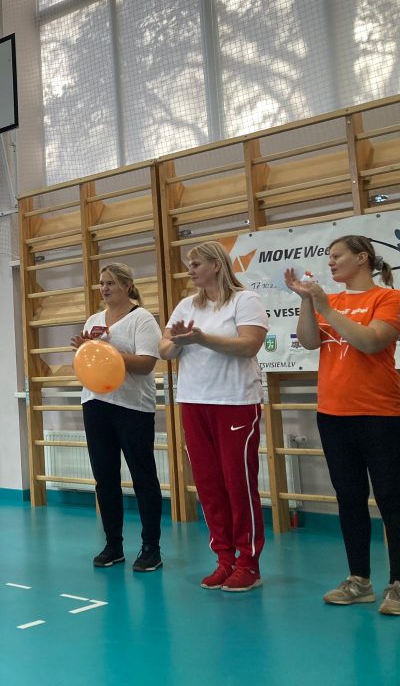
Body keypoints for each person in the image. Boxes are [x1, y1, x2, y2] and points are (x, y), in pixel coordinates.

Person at [285, 235, 400, 615]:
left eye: (337, 256)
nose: (331, 262)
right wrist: (308, 302)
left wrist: (325, 307)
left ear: (362, 258)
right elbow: (308, 342)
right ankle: (359, 580)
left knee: (391, 498)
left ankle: (398, 583)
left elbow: (371, 342)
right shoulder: (330, 301)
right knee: (349, 498)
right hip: (333, 414)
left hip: (380, 414)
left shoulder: (388, 298)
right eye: (329, 257)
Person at [159, 241, 269, 592]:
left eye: (196, 264)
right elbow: (165, 349)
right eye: (189, 264)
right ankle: (225, 559)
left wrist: (202, 338)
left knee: (238, 484)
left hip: (235, 401)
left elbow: (249, 345)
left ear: (217, 265)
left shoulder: (244, 300)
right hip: (194, 402)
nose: (189, 270)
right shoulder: (186, 305)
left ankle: (248, 563)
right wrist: (179, 342)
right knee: (208, 485)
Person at [72, 264, 163, 572]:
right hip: (95, 403)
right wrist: (86, 351)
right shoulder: (94, 320)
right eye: (102, 283)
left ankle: (151, 547)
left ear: (127, 286)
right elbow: (89, 362)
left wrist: (106, 352)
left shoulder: (142, 318)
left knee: (143, 477)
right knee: (105, 477)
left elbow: (146, 363)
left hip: (132, 406)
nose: (105, 288)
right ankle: (113, 545)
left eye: (111, 283)